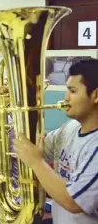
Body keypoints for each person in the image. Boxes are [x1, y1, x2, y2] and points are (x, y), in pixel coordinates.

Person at [14, 58, 98, 224]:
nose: (65, 98)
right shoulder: (71, 127)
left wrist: (36, 162)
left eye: (72, 91)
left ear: (95, 95)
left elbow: (73, 202)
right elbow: (38, 149)